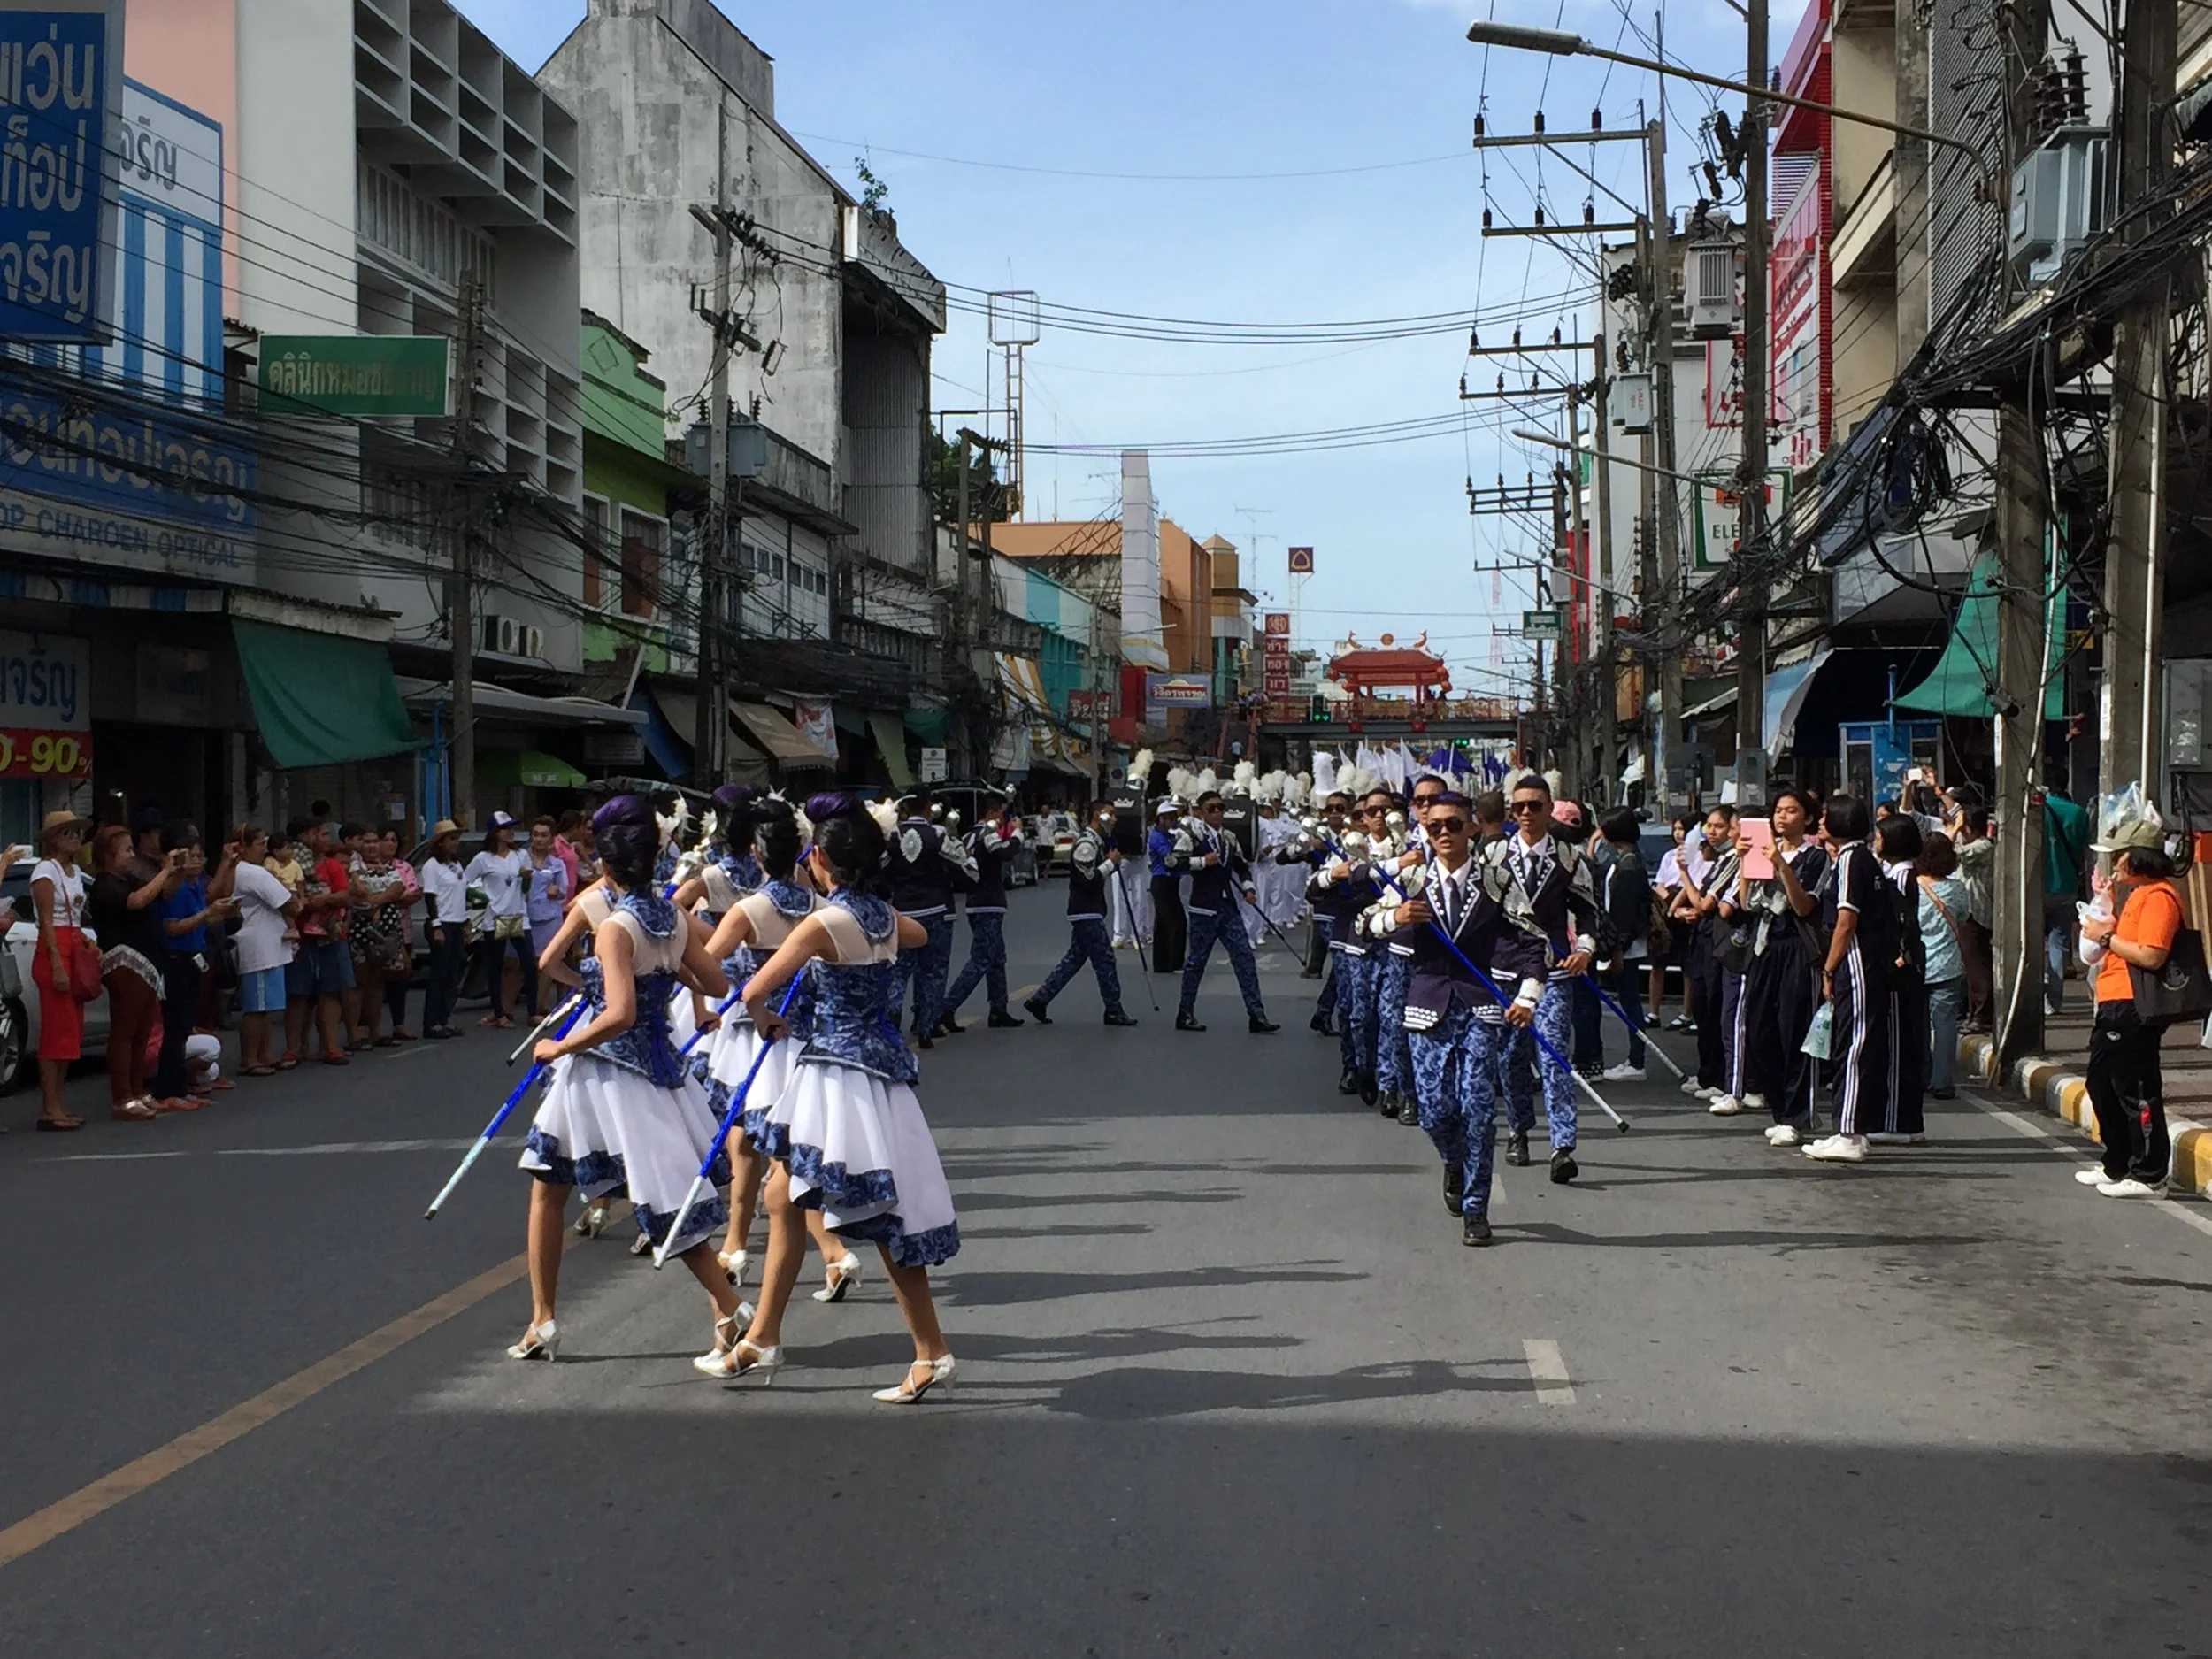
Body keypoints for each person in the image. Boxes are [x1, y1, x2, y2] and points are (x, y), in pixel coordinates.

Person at [710, 793, 961, 1402]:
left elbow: (751, 990)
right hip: (881, 1069)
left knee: (877, 1216)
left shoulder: (824, 922)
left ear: (820, 858)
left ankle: (930, 1350)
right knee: (783, 1194)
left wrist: (768, 1015)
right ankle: (763, 1334)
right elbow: (919, 932)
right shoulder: (879, 915)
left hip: (837, 1076)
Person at [511, 795, 749, 1365]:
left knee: (557, 1187)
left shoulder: (615, 926)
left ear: (607, 867)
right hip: (657, 1064)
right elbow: (717, 984)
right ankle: (722, 1306)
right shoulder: (675, 915)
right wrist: (671, 971)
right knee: (637, 1190)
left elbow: (613, 1011)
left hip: (606, 1069)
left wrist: (558, 1044)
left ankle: (547, 1318)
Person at [1384, 790, 1511, 1245]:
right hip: (1427, 1003)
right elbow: (1365, 922)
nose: (1442, 833)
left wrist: (1529, 991)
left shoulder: (1496, 880)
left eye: (1453, 824)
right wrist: (1395, 916)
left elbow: (1529, 936)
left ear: (1472, 828)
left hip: (1479, 1004)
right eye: (1433, 825)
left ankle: (1476, 1210)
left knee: (1477, 1109)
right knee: (1436, 1112)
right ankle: (1453, 1162)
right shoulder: (1410, 878)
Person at [1481, 774, 1605, 1181]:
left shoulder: (1570, 858)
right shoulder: (1494, 856)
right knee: (1511, 1057)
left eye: (1535, 805)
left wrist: (1584, 948)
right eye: (1519, 807)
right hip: (1504, 970)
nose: (1527, 814)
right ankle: (1518, 1128)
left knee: (1553, 1056)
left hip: (1552, 968)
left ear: (1550, 808)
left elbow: (1587, 911)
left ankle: (1562, 1145)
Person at [2078, 820, 2183, 1197]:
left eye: (2118, 858)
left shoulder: (2158, 897)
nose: (2114, 866)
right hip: (2113, 999)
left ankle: (2150, 1172)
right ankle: (2118, 1163)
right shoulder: (2136, 895)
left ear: (2137, 858)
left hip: (2133, 1004)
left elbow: (2151, 956)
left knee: (2134, 1088)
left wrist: (2106, 936)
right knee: (2102, 1083)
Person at [1737, 789, 1830, 1147]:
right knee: (1759, 1030)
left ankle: (1798, 1114)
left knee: (1794, 1032)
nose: (1782, 817)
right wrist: (1747, 866)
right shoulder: (1763, 850)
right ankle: (1779, 1108)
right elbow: (1746, 903)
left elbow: (1804, 906)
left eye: (1791, 811)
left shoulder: (1816, 858)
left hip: (1796, 947)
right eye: (1778, 811)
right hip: (1764, 944)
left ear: (1806, 818)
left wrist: (1781, 865)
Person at [1806, 794, 1895, 1164]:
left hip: (1857, 963)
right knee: (1851, 1045)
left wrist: (1829, 967)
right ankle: (1848, 1125)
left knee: (1854, 1048)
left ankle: (1850, 1131)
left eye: (1827, 816)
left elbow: (1846, 920)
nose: (1822, 821)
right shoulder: (1859, 858)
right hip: (1867, 961)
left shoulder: (1849, 861)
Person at [87, 823, 180, 1120]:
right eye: (126, 850)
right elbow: (137, 901)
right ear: (108, 855)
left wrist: (174, 870)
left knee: (142, 1031)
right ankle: (122, 1096)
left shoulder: (129, 878)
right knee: (125, 1031)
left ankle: (138, 1089)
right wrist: (164, 871)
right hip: (124, 961)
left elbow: (162, 893)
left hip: (146, 959)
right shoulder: (104, 884)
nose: (131, 855)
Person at [1169, 791, 1278, 1034]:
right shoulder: (1193, 836)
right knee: (1196, 962)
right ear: (1201, 812)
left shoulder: (1229, 837)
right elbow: (1173, 862)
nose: (1217, 812)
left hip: (1228, 907)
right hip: (1203, 909)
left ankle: (1257, 1015)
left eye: (1220, 807)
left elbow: (1241, 866)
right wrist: (1201, 862)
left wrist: (1248, 887)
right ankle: (1185, 1013)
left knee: (1244, 959)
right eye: (1211, 808)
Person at [1025, 800, 1138, 1028]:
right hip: (1086, 911)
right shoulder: (1086, 843)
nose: (1114, 819)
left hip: (1090, 910)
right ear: (1098, 816)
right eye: (1110, 814)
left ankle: (1039, 999)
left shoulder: (1098, 842)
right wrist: (1109, 864)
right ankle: (1113, 1009)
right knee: (1104, 960)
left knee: (1074, 959)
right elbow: (1087, 879)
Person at [152, 823, 239, 1107]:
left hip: (193, 956)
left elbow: (206, 912)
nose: (196, 860)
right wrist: (207, 913)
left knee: (186, 1025)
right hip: (175, 959)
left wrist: (218, 912)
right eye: (189, 854)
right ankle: (169, 1090)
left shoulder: (193, 884)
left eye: (200, 855)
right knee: (176, 1027)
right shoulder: (172, 887)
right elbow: (172, 928)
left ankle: (181, 1087)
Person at [883, 795, 972, 1048]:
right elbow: (962, 863)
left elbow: (881, 866)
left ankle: (895, 1009)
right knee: (933, 970)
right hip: (935, 908)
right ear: (927, 807)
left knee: (900, 969)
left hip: (903, 911)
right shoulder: (939, 834)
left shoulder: (894, 835)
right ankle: (926, 1026)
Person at [28, 810, 94, 1131]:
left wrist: (85, 942)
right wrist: (57, 964)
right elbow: (46, 921)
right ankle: (49, 1106)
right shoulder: (45, 871)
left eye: (77, 833)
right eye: (67, 833)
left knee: (71, 1033)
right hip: (54, 950)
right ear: (53, 840)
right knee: (56, 1032)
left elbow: (75, 918)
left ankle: (58, 1103)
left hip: (73, 944)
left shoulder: (75, 872)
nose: (75, 839)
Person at [944, 791, 1025, 1029]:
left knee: (997, 957)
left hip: (979, 901)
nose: (1003, 820)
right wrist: (1018, 832)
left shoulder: (969, 835)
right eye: (1000, 815)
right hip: (987, 901)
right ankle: (947, 1007)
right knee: (981, 959)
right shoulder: (986, 834)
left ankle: (998, 1009)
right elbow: (1005, 852)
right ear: (990, 813)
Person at [1871, 815, 1929, 1145]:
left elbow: (1906, 921)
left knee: (1897, 1047)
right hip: (1900, 967)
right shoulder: (1895, 871)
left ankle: (1898, 1123)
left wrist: (1901, 954)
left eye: (1880, 836)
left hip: (1900, 970)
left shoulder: (1903, 875)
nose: (1875, 841)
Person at [226, 823, 299, 1077]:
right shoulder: (250, 872)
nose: (264, 850)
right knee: (255, 1008)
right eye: (259, 845)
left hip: (269, 945)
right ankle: (250, 1058)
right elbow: (289, 903)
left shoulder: (249, 870)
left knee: (265, 1007)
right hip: (258, 946)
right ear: (243, 847)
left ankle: (264, 1054)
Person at [1678, 805, 1740, 1104]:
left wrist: (1684, 874)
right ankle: (1707, 1073)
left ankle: (1720, 1077)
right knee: (1703, 1009)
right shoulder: (1719, 861)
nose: (1713, 832)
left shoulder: (1732, 861)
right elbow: (1701, 907)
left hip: (1721, 944)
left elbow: (1707, 904)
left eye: (1720, 826)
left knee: (1716, 1010)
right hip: (1704, 940)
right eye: (1710, 826)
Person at [282, 818, 355, 1067]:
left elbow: (345, 895)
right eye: (321, 833)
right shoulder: (288, 865)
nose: (326, 839)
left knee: (331, 992)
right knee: (298, 994)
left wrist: (324, 901)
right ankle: (294, 1049)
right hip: (300, 936)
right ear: (305, 837)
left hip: (330, 934)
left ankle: (330, 1046)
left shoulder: (333, 865)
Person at [1916, 830, 1972, 1102]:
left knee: (1919, 1026)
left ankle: (1922, 1075)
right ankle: (1943, 1081)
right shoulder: (1957, 888)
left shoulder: (1908, 886)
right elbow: (1962, 918)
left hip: (1915, 966)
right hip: (1948, 965)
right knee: (1945, 1026)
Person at [466, 811, 535, 1029]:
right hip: (494, 918)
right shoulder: (483, 859)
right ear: (495, 833)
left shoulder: (521, 855)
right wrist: (482, 898)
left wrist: (526, 880)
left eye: (511, 827)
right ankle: (500, 1013)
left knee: (529, 964)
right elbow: (466, 883)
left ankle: (533, 1012)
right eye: (506, 828)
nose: (511, 832)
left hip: (518, 916)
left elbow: (526, 888)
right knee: (496, 966)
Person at [1596, 809, 1650, 1082]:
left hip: (1626, 944)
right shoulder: (1623, 859)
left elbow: (1624, 911)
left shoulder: (1629, 865)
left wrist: (1616, 948)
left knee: (1630, 1001)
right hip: (1623, 941)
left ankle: (1637, 1060)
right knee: (1629, 1000)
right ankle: (1634, 1058)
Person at [348, 827, 413, 1047]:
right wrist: (374, 899)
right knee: (359, 982)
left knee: (377, 982)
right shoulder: (355, 868)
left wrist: (376, 901)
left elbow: (397, 887)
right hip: (361, 931)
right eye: (367, 842)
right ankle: (354, 1033)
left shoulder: (388, 868)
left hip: (386, 930)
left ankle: (375, 1032)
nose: (372, 846)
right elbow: (357, 892)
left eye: (375, 841)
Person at [1946, 787, 1996, 1032]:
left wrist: (1955, 828)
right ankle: (1973, 1012)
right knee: (1969, 964)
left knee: (1977, 965)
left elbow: (1952, 852)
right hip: (1967, 913)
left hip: (1977, 913)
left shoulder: (1982, 847)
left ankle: (1982, 1015)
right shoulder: (1977, 845)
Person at [2043, 780, 2092, 1016]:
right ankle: (2054, 1001)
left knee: (2031, 945)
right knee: (2058, 945)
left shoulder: (2037, 808)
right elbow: (2084, 851)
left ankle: (2032, 998)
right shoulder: (2079, 813)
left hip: (2037, 887)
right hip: (2067, 885)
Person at [417, 820, 469, 1039]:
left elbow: (462, 894)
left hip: (457, 921)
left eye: (456, 839)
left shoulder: (456, 865)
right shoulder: (432, 866)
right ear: (440, 843)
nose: (455, 843)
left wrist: (466, 921)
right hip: (442, 922)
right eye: (451, 839)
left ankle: (444, 1018)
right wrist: (435, 924)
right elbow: (431, 897)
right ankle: (432, 1022)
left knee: (453, 973)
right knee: (439, 973)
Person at [1651, 818, 1689, 1022]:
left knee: (1687, 964)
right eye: (1675, 829)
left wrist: (1676, 904)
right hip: (1667, 907)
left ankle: (1686, 1013)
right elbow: (1659, 883)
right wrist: (1668, 900)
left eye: (1682, 828)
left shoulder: (1698, 855)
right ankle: (1653, 1012)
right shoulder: (1669, 856)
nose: (1678, 833)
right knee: (1658, 962)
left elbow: (1693, 882)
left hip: (1686, 906)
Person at [1148, 798, 1187, 973]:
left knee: (1165, 923)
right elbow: (1170, 860)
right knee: (1174, 922)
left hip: (1172, 881)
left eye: (1172, 818)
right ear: (1159, 819)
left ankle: (1163, 964)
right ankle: (1173, 962)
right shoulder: (1157, 836)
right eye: (1167, 818)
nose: (1170, 821)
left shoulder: (1170, 835)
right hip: (1162, 880)